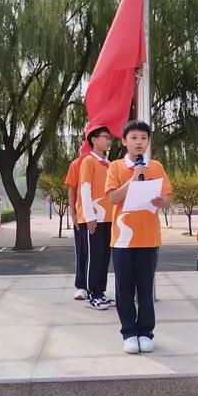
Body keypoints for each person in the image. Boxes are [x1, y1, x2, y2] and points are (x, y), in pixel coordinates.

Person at [105, 120, 172, 354]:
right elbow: (112, 199)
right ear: (124, 141)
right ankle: (129, 333)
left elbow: (167, 198)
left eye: (143, 138)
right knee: (124, 288)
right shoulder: (115, 167)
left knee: (145, 288)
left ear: (148, 141)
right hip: (123, 239)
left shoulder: (157, 167)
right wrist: (133, 180)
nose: (138, 142)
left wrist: (161, 200)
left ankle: (146, 331)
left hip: (148, 238)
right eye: (133, 138)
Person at [76, 126, 114, 310]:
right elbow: (84, 188)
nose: (108, 140)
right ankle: (92, 295)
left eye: (109, 137)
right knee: (94, 257)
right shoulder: (88, 161)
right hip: (94, 219)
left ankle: (100, 292)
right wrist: (89, 216)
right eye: (105, 137)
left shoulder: (108, 163)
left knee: (104, 257)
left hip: (108, 217)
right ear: (94, 140)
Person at [65, 158, 87, 300]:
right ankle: (81, 286)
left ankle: (97, 288)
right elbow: (72, 188)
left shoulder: (107, 163)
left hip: (104, 217)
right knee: (82, 252)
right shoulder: (77, 164)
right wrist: (73, 212)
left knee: (101, 256)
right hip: (82, 217)